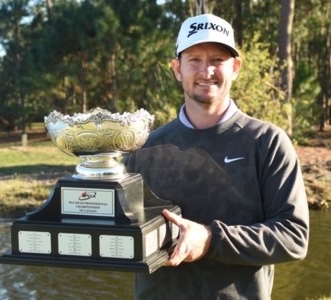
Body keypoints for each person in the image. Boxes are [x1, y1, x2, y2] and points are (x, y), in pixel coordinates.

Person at [125, 14, 309, 299]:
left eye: (217, 60)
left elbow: (293, 237)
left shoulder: (267, 142)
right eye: (194, 59)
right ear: (177, 69)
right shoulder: (144, 149)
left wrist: (211, 239)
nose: (206, 70)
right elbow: (124, 232)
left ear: (235, 67)